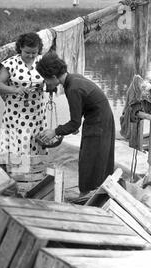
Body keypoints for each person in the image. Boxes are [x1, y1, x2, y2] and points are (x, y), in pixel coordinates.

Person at [36, 52, 115, 196]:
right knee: (97, 156)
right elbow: (84, 106)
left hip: (99, 122)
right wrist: (74, 124)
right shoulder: (73, 78)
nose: (46, 84)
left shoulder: (72, 89)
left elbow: (74, 123)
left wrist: (54, 131)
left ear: (53, 77)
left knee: (89, 159)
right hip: (101, 117)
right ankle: (97, 191)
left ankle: (85, 194)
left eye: (46, 80)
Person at [0, 32, 48, 160]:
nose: (31, 55)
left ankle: (36, 170)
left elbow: (52, 80)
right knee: (18, 145)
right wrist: (15, 89)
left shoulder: (42, 61)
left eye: (34, 52)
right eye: (27, 52)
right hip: (16, 114)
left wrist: (44, 86)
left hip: (37, 113)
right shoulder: (11, 63)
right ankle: (17, 171)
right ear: (20, 48)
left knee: (36, 143)